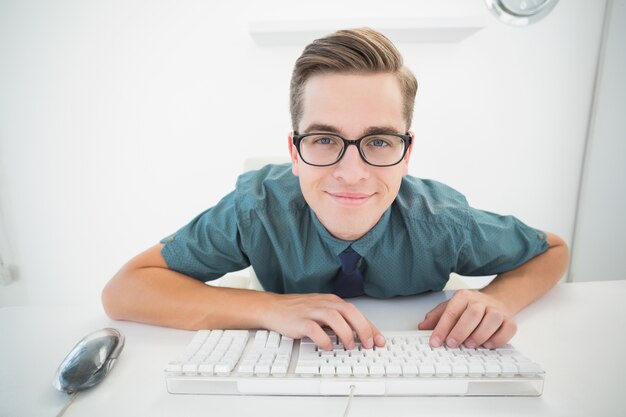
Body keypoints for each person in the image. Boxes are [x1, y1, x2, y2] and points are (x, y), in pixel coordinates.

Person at [102, 28, 569, 352]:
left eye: (379, 141)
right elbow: (124, 291)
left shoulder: (442, 221)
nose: (351, 172)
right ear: (293, 149)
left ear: (407, 152)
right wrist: (268, 309)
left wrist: (499, 300)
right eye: (324, 139)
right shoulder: (256, 210)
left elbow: (553, 251)